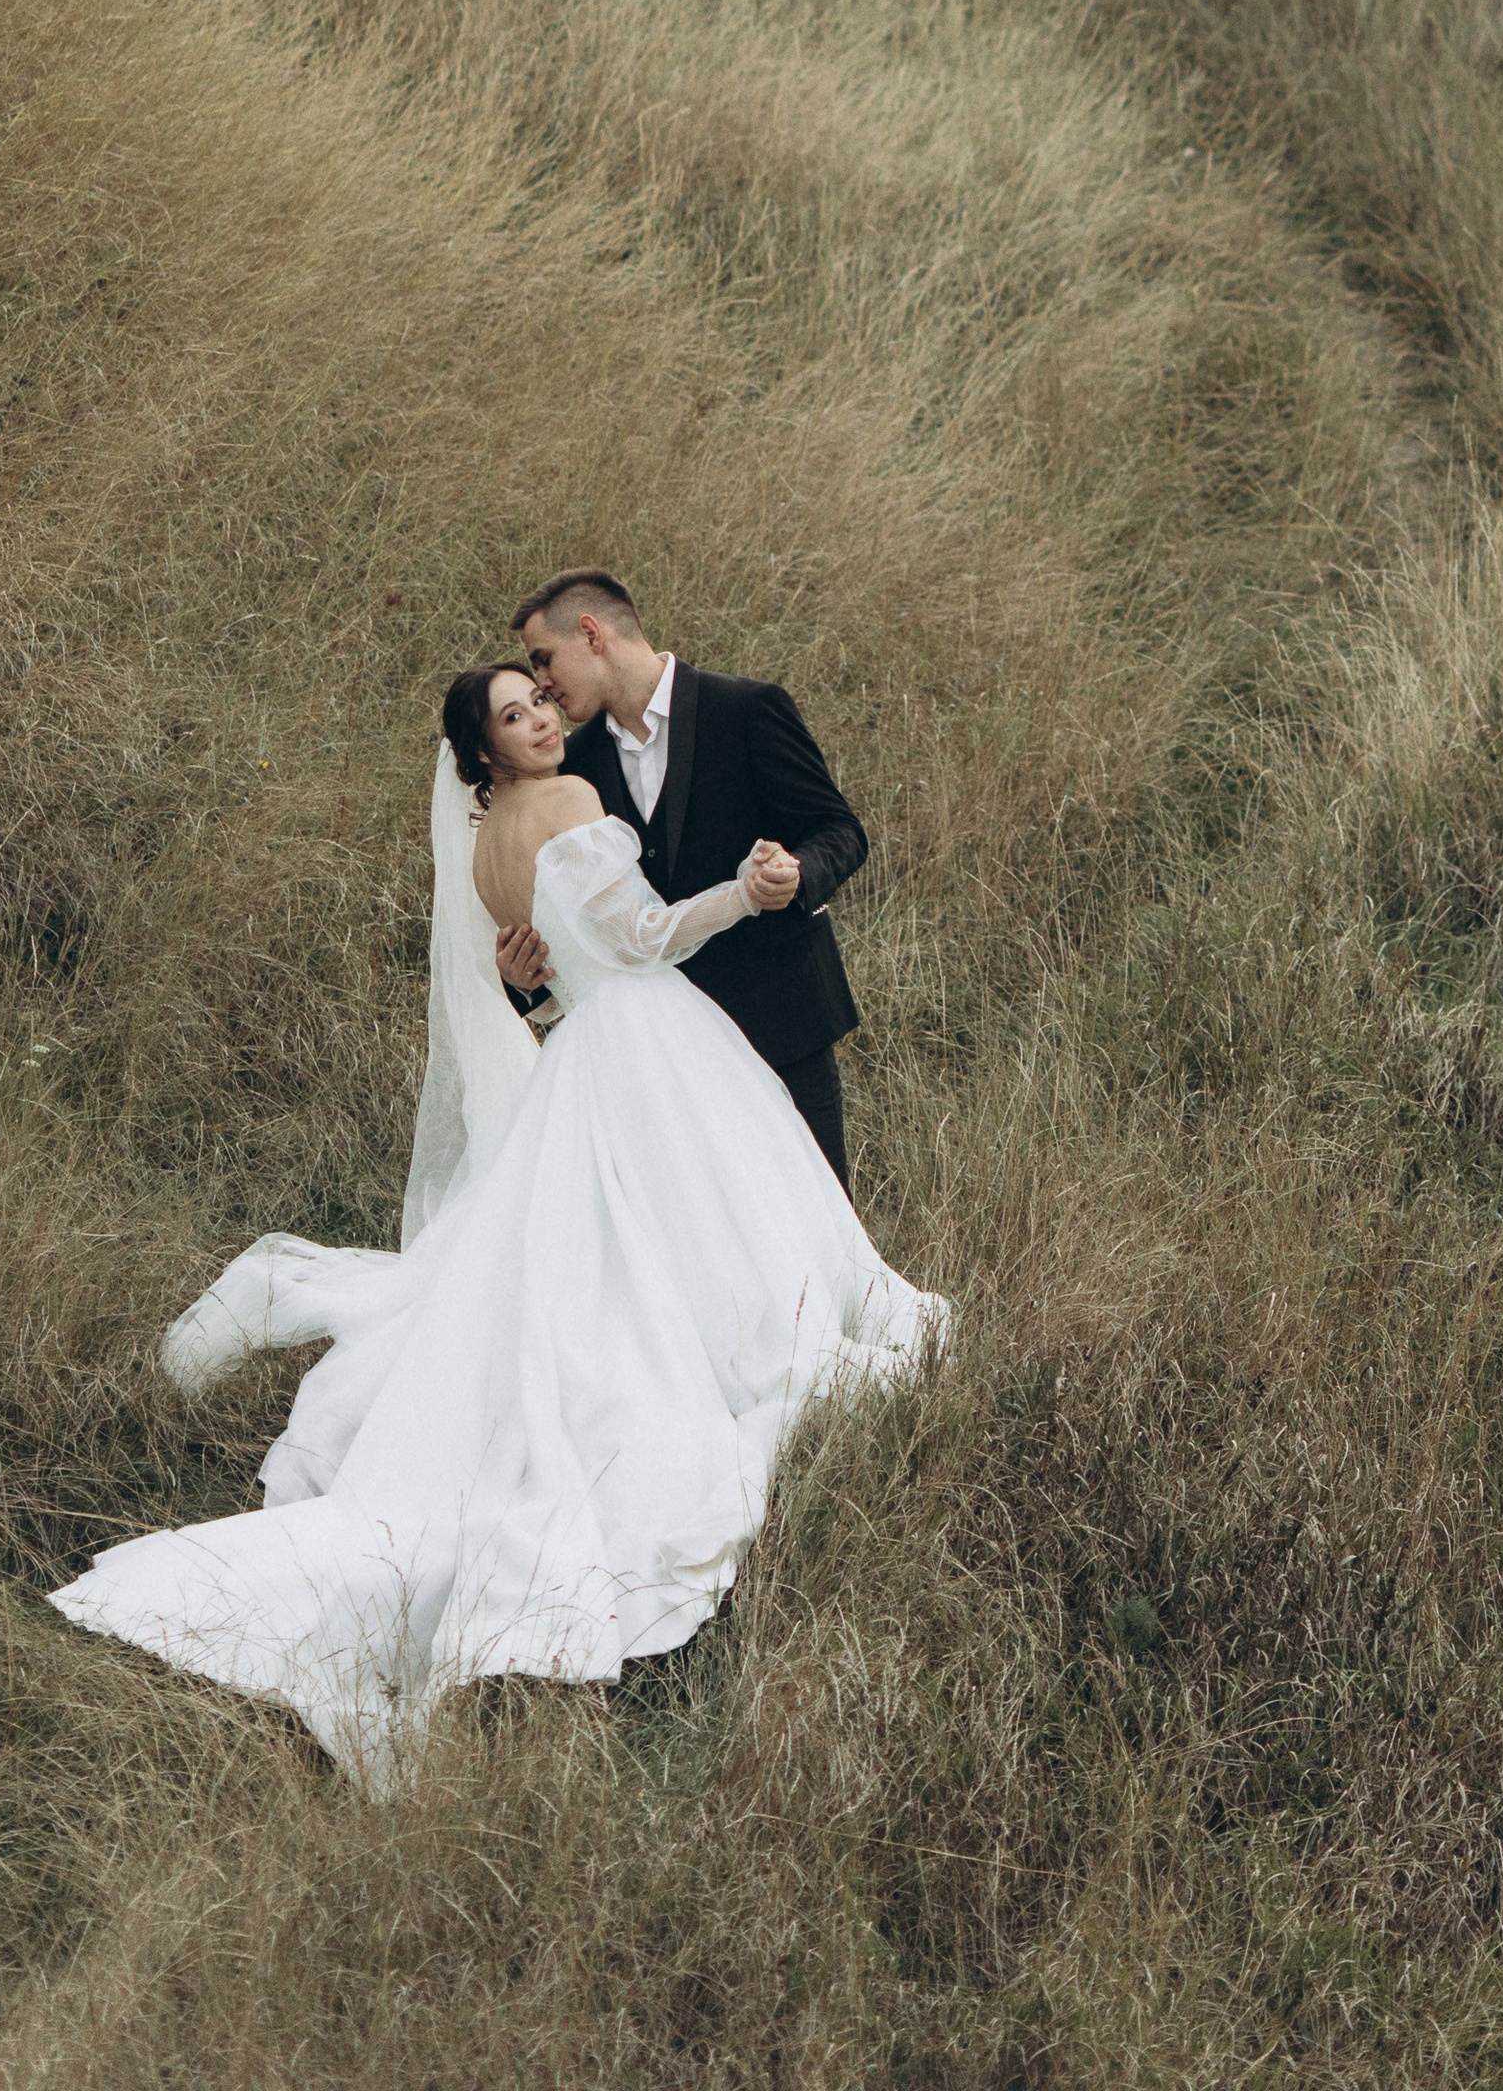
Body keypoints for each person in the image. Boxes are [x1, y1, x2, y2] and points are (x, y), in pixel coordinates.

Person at [50, 663, 946, 1786]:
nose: (544, 723)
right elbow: (646, 937)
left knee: (606, 1242)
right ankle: (724, 1368)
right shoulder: (574, 803)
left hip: (574, 1050)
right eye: (518, 717)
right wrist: (745, 893)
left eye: (541, 704)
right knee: (698, 1228)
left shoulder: (480, 852)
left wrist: (547, 985)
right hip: (644, 1038)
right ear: (486, 754)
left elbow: (543, 969)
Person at [507, 570, 868, 1189]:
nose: (542, 684)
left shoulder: (749, 708)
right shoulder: (576, 767)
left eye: (545, 660)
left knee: (819, 1227)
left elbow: (840, 829)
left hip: (779, 1016)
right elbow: (579, 923)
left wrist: (797, 873)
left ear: (591, 633)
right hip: (666, 1057)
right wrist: (524, 985)